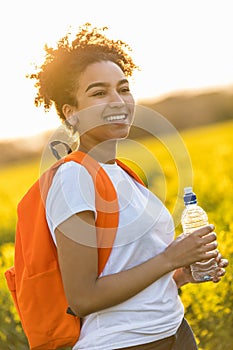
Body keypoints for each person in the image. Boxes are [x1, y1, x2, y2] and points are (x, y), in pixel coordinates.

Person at [28, 23, 228, 350]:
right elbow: (82, 298)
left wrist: (181, 272)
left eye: (123, 88)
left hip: (175, 333)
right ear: (71, 114)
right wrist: (169, 259)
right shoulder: (74, 178)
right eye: (98, 92)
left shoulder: (123, 174)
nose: (117, 100)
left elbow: (130, 274)